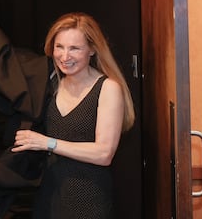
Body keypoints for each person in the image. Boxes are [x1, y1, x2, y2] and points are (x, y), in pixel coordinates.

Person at [11, 12, 135, 218]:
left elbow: (104, 154)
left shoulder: (107, 89)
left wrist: (47, 143)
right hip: (50, 196)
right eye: (59, 47)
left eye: (74, 48)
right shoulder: (50, 84)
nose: (65, 56)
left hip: (89, 199)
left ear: (93, 50)